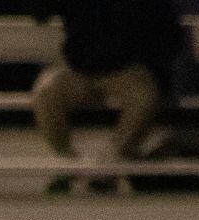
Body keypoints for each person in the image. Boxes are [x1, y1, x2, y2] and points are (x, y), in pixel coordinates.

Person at [28, 0, 188, 181]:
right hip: (80, 69)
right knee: (45, 91)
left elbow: (172, 34)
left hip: (126, 69)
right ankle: (68, 164)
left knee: (144, 96)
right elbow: (40, 13)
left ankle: (111, 163)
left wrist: (149, 62)